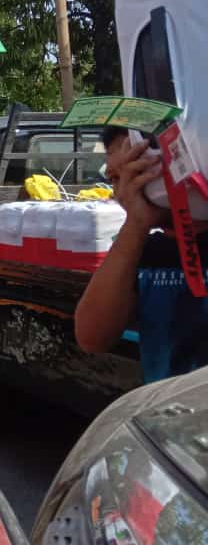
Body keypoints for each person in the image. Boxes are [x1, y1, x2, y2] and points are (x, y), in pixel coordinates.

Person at [75, 127, 208, 382]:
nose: (121, 192)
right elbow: (91, 336)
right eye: (115, 179)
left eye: (133, 173)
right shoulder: (143, 252)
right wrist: (136, 224)